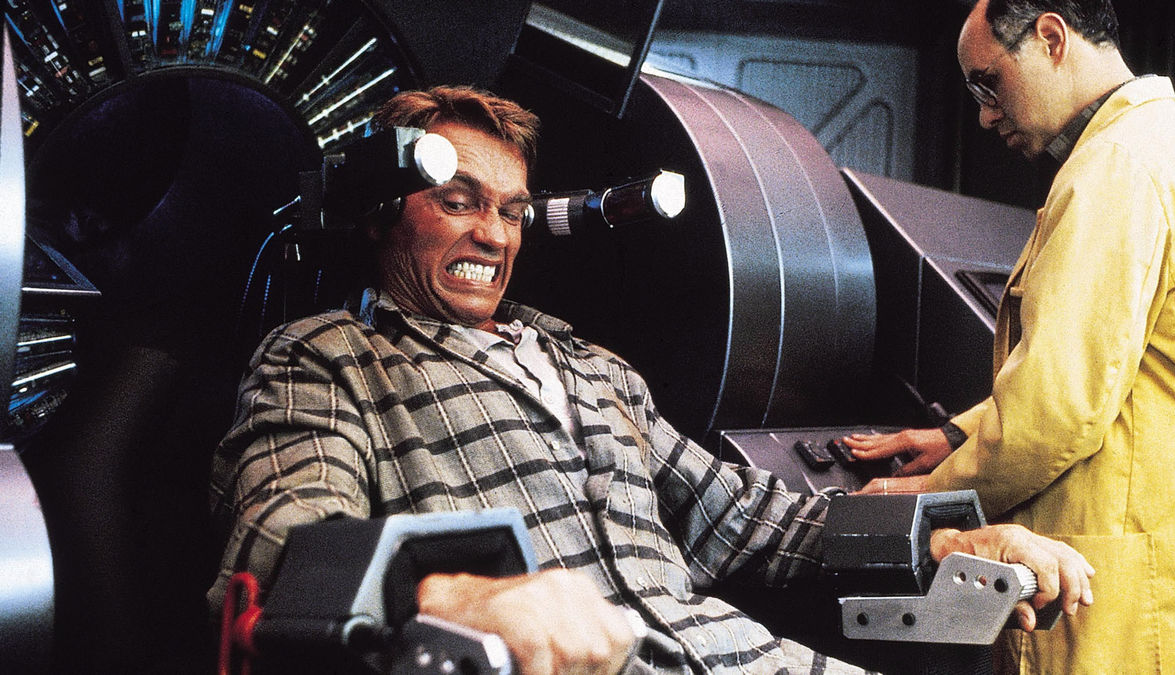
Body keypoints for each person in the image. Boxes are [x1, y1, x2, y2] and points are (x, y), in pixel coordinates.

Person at [208, 85, 1094, 675]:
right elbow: (282, 543)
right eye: (458, 200)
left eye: (512, 211)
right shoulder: (327, 359)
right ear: (380, 214)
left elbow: (752, 517)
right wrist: (457, 595)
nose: (494, 234)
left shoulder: (589, 366)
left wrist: (946, 540)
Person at [843, 1, 1175, 672]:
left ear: (1051, 37)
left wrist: (922, 499)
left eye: (990, 83)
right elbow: (1122, 366)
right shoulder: (1171, 141)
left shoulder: (1116, 166)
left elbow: (1057, 408)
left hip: (1113, 596)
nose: (985, 114)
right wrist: (959, 434)